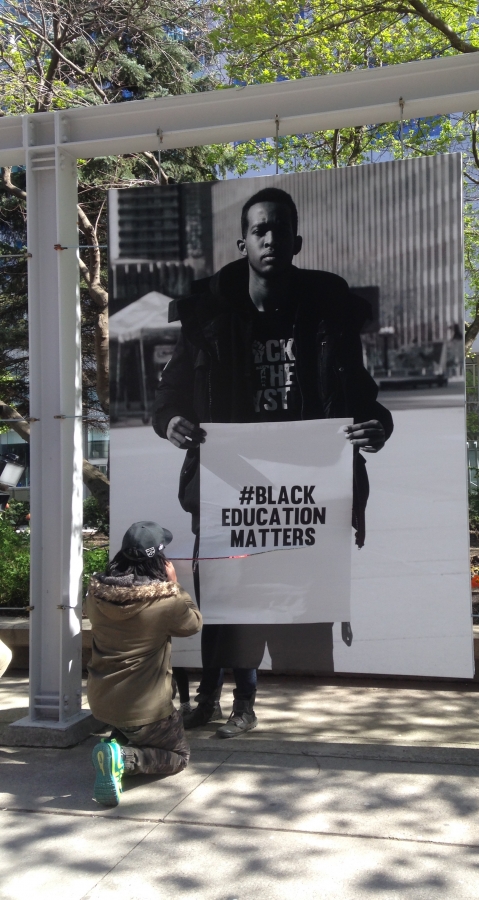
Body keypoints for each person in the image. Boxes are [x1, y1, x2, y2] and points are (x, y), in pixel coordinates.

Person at [152, 186, 393, 737]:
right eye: (260, 230)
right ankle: (212, 698)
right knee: (224, 601)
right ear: (243, 242)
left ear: (296, 241)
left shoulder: (327, 317)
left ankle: (261, 705)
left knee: (294, 607)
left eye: (280, 230)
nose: (270, 239)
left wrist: (378, 427)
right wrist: (173, 426)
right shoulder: (208, 321)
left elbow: (363, 398)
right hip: (226, 489)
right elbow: (167, 401)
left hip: (303, 495)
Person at [87, 521, 202, 806]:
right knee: (178, 757)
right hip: (145, 708)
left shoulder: (96, 593)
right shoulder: (165, 601)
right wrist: (174, 586)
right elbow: (193, 623)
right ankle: (124, 759)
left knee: (131, 724)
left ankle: (118, 740)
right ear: (158, 561)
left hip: (101, 702)